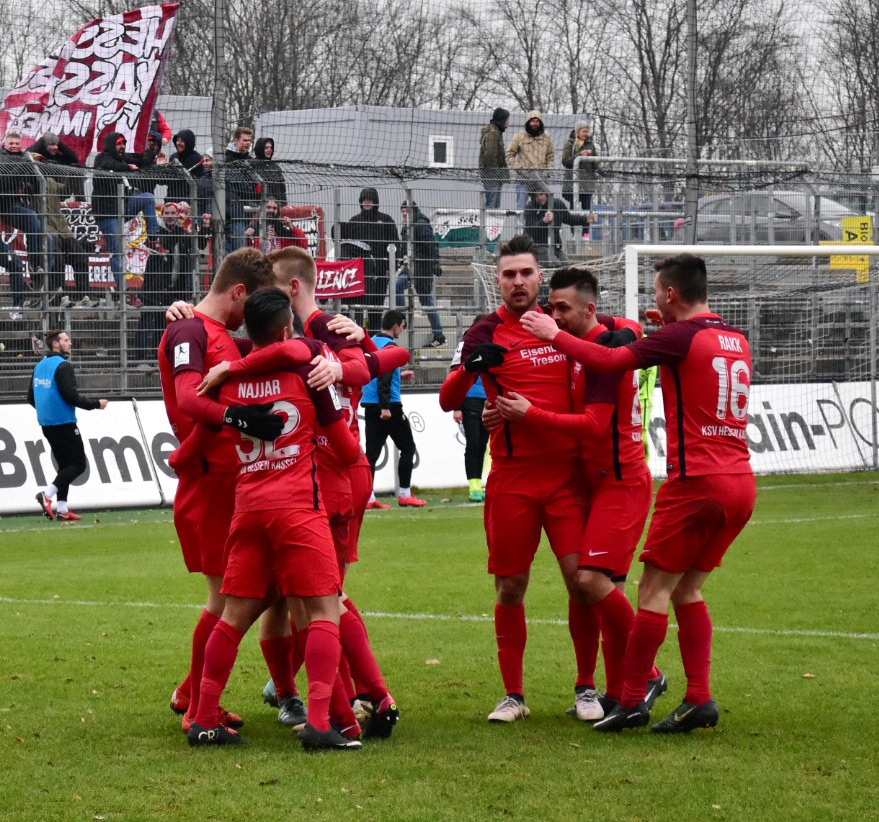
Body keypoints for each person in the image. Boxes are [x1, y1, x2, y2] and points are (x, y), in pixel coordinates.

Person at [520, 253, 756, 733]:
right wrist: (652, 327)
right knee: (688, 590)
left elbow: (610, 359)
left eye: (656, 293)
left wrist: (553, 335)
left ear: (671, 293)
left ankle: (633, 697)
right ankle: (699, 698)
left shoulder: (679, 335)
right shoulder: (734, 337)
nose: (654, 302)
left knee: (652, 591)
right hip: (741, 482)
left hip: (695, 482)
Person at [176, 288, 364, 750]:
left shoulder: (226, 381)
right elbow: (348, 451)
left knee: (232, 616)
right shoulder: (305, 372)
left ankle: (204, 717)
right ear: (286, 330)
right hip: (298, 509)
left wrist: (181, 459)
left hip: (248, 510)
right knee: (323, 611)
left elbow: (188, 452)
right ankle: (320, 722)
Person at [494, 268, 658, 722]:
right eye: (551, 307)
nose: (553, 316)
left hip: (620, 481)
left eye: (562, 308)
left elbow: (594, 425)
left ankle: (646, 673)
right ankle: (623, 696)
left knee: (589, 581)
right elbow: (623, 325)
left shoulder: (603, 354)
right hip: (593, 482)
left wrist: (530, 414)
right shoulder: (586, 346)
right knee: (608, 588)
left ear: (588, 309)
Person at [160, 247, 311, 736]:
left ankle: (195, 692)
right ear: (239, 291)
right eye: (253, 303)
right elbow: (188, 399)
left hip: (236, 478)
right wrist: (236, 416)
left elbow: (281, 350)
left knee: (259, 590)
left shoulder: (219, 334)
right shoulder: (190, 330)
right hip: (211, 481)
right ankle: (195, 702)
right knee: (227, 597)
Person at [439, 234, 586, 723]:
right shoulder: (483, 331)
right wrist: (471, 368)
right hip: (513, 478)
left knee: (581, 582)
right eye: (509, 274)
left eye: (526, 273)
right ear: (497, 280)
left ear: (540, 277)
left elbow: (610, 335)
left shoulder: (562, 323)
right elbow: (447, 398)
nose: (518, 281)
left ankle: (586, 688)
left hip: (567, 476)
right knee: (510, 586)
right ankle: (514, 695)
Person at [28, 329, 108, 522]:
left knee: (64, 465)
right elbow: (71, 396)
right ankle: (47, 495)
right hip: (63, 422)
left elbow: (31, 397)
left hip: (46, 423)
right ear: (56, 344)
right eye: (66, 340)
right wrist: (96, 404)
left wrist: (47, 410)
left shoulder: (40, 366)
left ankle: (62, 509)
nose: (70, 343)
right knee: (79, 464)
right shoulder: (63, 366)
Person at [362, 309, 425, 508]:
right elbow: (384, 376)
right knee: (408, 448)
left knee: (371, 454)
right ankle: (405, 494)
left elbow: (376, 370)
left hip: (370, 404)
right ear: (396, 326)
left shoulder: (371, 343)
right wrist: (386, 407)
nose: (402, 331)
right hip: (388, 407)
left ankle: (368, 498)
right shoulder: (390, 347)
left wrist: (399, 374)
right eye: (403, 327)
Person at [91, 131, 167, 281]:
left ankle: (153, 238)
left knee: (148, 197)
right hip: (107, 214)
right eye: (119, 144)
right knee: (118, 252)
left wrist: (152, 150)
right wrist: (127, 167)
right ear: (111, 145)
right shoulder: (102, 158)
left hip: (123, 207)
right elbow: (109, 164)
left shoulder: (123, 158)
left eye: (123, 143)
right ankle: (122, 290)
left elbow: (141, 159)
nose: (122, 147)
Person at [134, 202, 197, 364]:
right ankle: (140, 360)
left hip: (173, 288)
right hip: (153, 287)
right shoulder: (156, 233)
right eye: (167, 213)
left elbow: (197, 245)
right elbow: (167, 243)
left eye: (173, 213)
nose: (170, 216)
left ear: (177, 215)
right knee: (146, 323)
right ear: (162, 216)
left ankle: (159, 359)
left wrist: (199, 225)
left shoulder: (182, 234)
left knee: (163, 326)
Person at [340, 187, 400, 331]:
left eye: (370, 199)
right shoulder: (354, 222)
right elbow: (345, 246)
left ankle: (373, 337)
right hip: (360, 272)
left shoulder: (386, 220)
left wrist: (391, 267)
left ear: (375, 201)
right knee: (358, 307)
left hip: (380, 272)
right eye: (364, 199)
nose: (367, 202)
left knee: (376, 308)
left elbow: (395, 245)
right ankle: (358, 337)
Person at [396, 200, 445, 348]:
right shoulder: (406, 226)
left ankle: (439, 335)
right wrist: (399, 261)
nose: (404, 214)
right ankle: (402, 319)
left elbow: (431, 244)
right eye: (402, 211)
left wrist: (435, 262)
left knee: (426, 302)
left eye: (406, 210)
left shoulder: (420, 224)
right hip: (410, 266)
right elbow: (403, 247)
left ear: (412, 210)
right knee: (397, 286)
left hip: (422, 267)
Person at [0, 131, 45, 270]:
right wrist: (24, 163)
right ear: (4, 144)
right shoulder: (2, 158)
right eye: (11, 143)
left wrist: (35, 172)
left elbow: (38, 188)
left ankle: (37, 267)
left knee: (46, 236)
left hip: (18, 204)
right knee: (31, 217)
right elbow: (5, 181)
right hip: (5, 206)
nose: (14, 146)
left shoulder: (25, 158)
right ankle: (34, 261)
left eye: (17, 143)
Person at [524, 187, 591, 265]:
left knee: (567, 265)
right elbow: (530, 229)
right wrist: (544, 221)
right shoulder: (530, 207)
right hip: (538, 247)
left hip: (555, 247)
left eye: (541, 194)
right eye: (536, 196)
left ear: (546, 194)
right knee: (556, 264)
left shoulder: (557, 204)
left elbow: (569, 218)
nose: (539, 198)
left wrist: (586, 219)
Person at [505, 111, 555, 211]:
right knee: (521, 209)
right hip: (523, 180)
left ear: (541, 123)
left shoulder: (546, 137)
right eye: (532, 121)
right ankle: (519, 222)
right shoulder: (520, 136)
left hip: (541, 181)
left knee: (542, 210)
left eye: (537, 121)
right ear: (528, 122)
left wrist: (548, 172)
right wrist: (519, 169)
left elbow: (550, 156)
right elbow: (509, 154)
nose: (535, 124)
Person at [455, 376, 489, 503]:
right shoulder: (465, 361)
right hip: (469, 400)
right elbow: (457, 379)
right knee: (473, 444)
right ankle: (473, 487)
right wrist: (457, 408)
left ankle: (478, 485)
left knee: (482, 445)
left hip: (488, 401)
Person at [225, 126, 258, 252]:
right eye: (245, 140)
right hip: (229, 212)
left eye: (249, 140)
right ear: (236, 140)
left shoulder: (250, 161)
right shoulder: (226, 159)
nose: (248, 143)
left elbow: (254, 187)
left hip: (246, 212)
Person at [561, 121, 598, 216]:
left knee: (587, 210)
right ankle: (573, 225)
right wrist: (579, 155)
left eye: (587, 131)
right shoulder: (569, 144)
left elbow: (596, 163)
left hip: (587, 184)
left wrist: (598, 168)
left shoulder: (591, 145)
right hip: (571, 183)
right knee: (574, 210)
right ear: (577, 131)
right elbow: (565, 161)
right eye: (584, 131)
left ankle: (586, 226)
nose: (586, 134)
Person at [479, 108, 510, 209]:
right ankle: (487, 220)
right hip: (491, 176)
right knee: (491, 205)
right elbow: (490, 155)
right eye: (507, 119)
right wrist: (495, 173)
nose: (508, 122)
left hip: (496, 176)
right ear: (502, 120)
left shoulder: (497, 133)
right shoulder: (493, 133)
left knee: (495, 206)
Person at [253, 137, 287, 205]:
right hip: (260, 205)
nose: (269, 150)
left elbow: (282, 190)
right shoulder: (253, 166)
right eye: (266, 148)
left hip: (276, 206)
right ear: (260, 149)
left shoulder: (275, 167)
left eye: (271, 148)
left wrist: (283, 205)